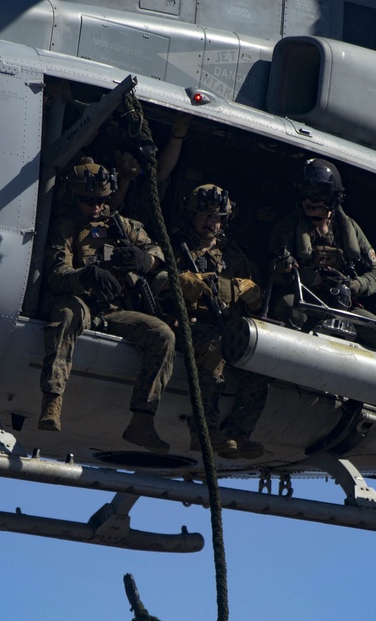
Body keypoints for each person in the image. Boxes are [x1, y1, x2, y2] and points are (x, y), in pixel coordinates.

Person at [40, 157, 175, 454]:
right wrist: (86, 276)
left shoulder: (123, 226)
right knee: (66, 314)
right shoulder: (66, 227)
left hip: (115, 310)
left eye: (102, 200)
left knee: (163, 334)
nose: (97, 208)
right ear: (75, 197)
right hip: (82, 303)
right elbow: (56, 274)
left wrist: (144, 260)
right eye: (89, 201)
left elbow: (159, 255)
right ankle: (52, 400)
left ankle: (142, 421)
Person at [172, 184, 269, 460]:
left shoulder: (234, 256)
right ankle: (204, 431)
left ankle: (240, 434)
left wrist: (249, 291)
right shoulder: (178, 249)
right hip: (190, 325)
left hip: (228, 326)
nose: (209, 222)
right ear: (192, 215)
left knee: (259, 361)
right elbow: (160, 282)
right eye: (203, 215)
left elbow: (256, 302)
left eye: (216, 217)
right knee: (214, 349)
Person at [268, 158, 376, 350]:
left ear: (332, 197)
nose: (309, 201)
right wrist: (310, 278)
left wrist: (354, 285)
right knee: (294, 314)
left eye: (317, 195)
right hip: (303, 299)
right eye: (305, 194)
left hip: (341, 304)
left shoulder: (349, 229)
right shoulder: (288, 227)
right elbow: (273, 269)